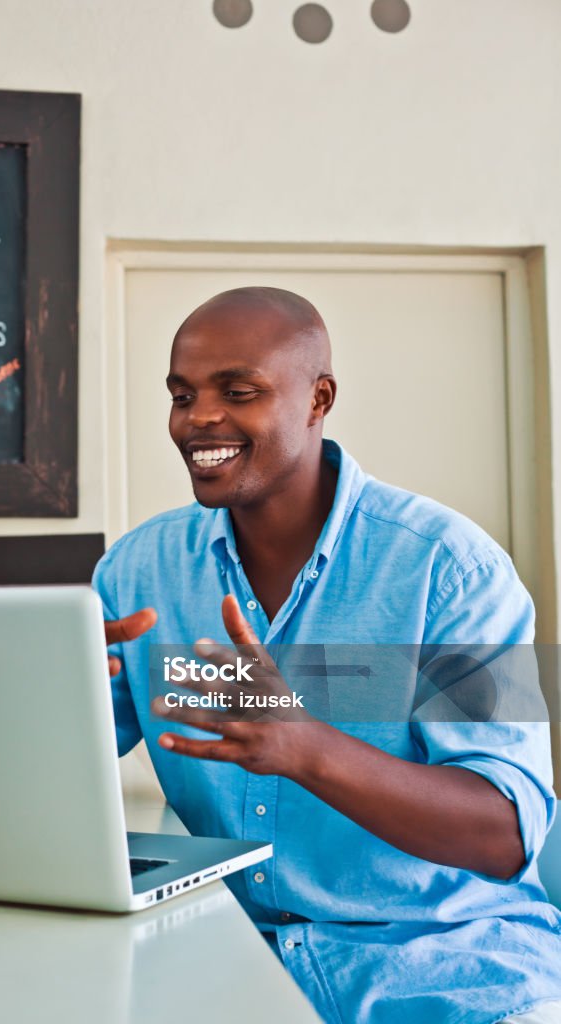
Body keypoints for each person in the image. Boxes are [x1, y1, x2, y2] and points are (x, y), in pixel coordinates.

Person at [92, 286, 561, 1024]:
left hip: (447, 968)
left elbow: (506, 834)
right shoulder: (137, 571)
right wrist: (46, 703)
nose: (198, 419)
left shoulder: (452, 571)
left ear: (318, 400)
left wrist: (305, 747)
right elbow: (64, 768)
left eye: (237, 391)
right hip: (224, 964)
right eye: (182, 396)